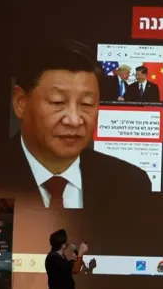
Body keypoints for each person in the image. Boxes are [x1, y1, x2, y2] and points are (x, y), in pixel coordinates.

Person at [10, 39, 152, 210]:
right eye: (57, 102)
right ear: (21, 103)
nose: (74, 120)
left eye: (86, 104)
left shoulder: (129, 185)